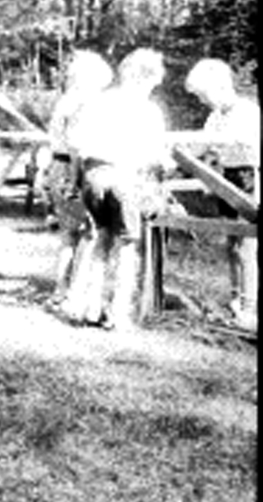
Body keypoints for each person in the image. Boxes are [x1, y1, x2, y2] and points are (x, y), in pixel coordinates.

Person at [62, 48, 170, 331]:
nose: (152, 89)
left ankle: (88, 307)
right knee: (126, 244)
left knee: (99, 239)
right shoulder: (148, 111)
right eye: (152, 84)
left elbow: (74, 143)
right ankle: (118, 312)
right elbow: (154, 154)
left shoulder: (97, 102)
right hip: (125, 178)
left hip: (94, 176)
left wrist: (78, 179)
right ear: (143, 78)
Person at [184, 58, 259, 331]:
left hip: (250, 176)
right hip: (227, 177)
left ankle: (250, 308)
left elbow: (242, 143)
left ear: (220, 87)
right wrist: (176, 158)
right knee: (232, 244)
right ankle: (236, 301)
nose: (202, 101)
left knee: (247, 245)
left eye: (203, 95)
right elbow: (201, 147)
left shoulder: (248, 112)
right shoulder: (214, 117)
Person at [42, 50, 114, 303]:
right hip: (71, 170)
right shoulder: (79, 104)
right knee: (87, 232)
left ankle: (62, 289)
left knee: (69, 235)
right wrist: (75, 181)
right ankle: (72, 290)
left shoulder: (65, 100)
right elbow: (75, 147)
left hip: (58, 167)